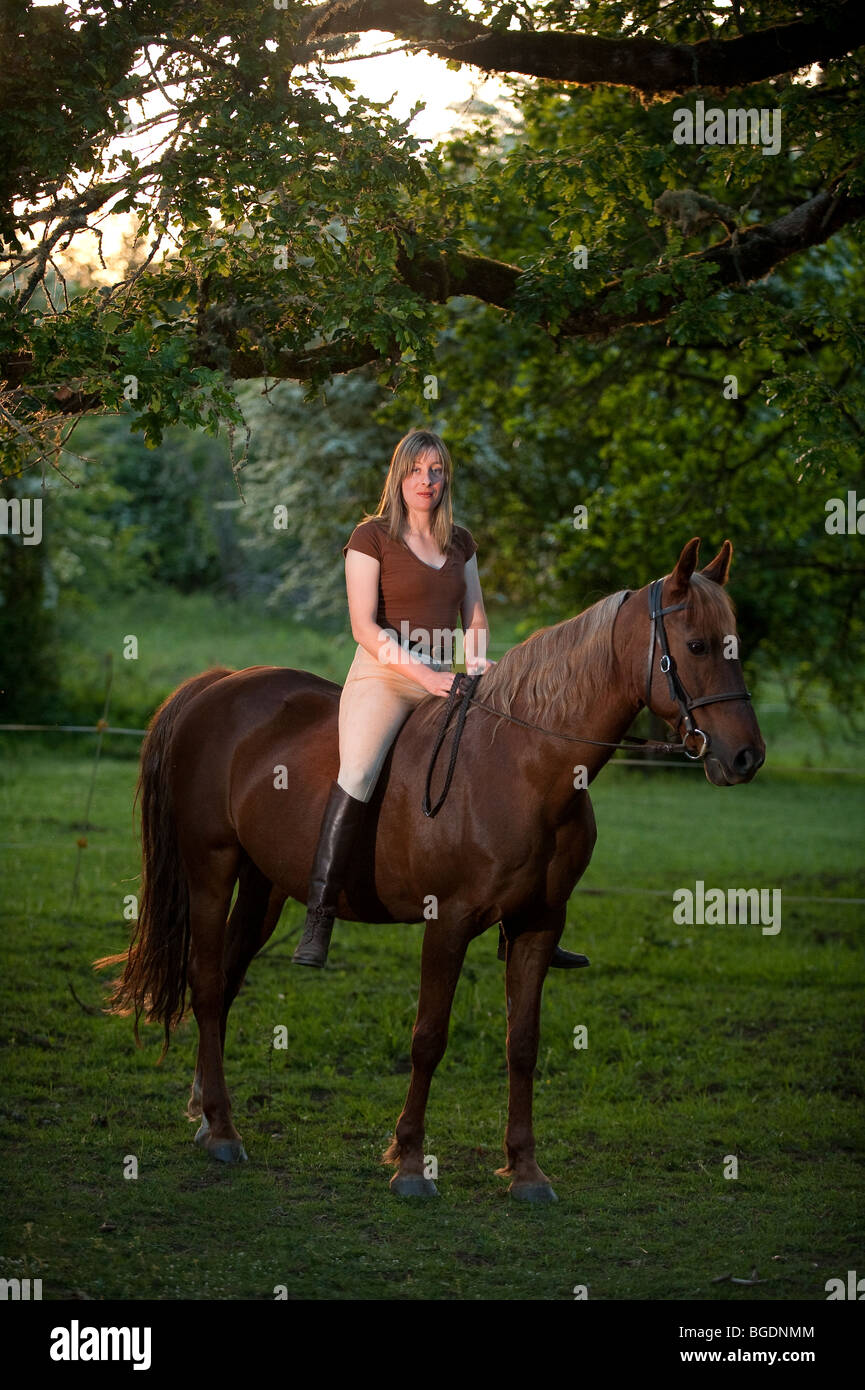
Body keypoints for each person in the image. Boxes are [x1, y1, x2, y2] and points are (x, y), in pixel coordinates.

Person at [292, 428, 588, 972]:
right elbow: (363, 626)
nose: (426, 481)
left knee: (513, 761)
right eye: (415, 470)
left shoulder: (460, 542)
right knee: (357, 772)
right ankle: (319, 914)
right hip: (385, 675)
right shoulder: (371, 536)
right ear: (398, 476)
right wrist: (427, 678)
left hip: (450, 675)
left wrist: (476, 663)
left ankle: (526, 918)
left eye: (435, 471)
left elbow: (473, 615)